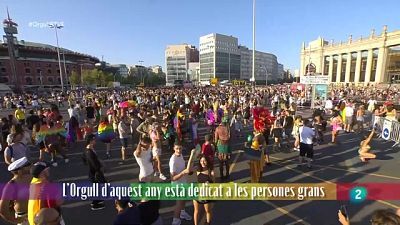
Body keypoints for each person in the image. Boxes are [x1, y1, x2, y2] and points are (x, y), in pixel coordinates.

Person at [0, 157, 32, 225]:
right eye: (27, 165)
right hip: (24, 218)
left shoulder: (34, 178)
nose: (31, 166)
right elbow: (3, 209)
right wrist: (14, 220)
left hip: (38, 214)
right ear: (20, 171)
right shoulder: (11, 185)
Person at [169, 143, 192, 225]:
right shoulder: (173, 160)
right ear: (174, 148)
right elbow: (173, 178)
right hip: (177, 185)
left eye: (180, 148)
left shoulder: (180, 155)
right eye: (177, 148)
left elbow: (183, 168)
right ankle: (175, 220)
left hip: (183, 182)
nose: (179, 150)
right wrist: (184, 172)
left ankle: (182, 213)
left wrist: (188, 171)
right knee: (179, 203)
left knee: (183, 200)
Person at [84, 134, 106, 210]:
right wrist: (99, 168)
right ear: (90, 141)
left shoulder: (89, 149)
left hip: (94, 172)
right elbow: (93, 163)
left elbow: (84, 160)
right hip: (94, 173)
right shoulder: (89, 151)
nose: (95, 141)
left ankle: (98, 200)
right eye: (94, 139)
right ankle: (95, 204)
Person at [193, 155, 215, 225]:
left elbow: (214, 184)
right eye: (201, 161)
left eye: (204, 161)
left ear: (207, 161)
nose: (203, 162)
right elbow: (188, 169)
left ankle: (208, 223)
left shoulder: (210, 171)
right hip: (198, 192)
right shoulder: (197, 169)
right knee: (196, 211)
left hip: (206, 194)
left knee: (207, 210)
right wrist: (191, 156)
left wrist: (210, 181)